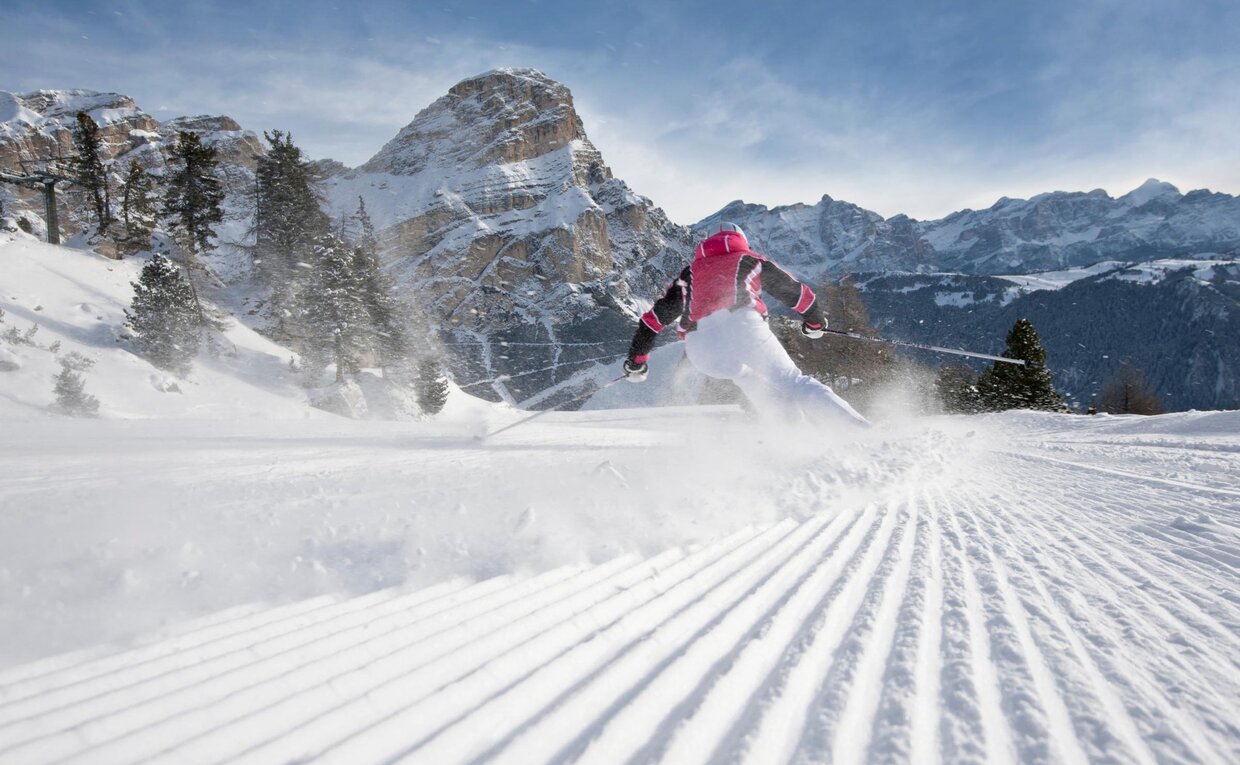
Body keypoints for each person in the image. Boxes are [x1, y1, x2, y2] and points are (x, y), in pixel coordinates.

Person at [622, 222, 870, 427]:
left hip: (700, 347)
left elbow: (652, 322)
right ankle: (860, 432)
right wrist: (815, 322)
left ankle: (794, 439)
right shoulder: (749, 259)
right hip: (741, 324)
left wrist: (636, 363)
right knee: (792, 381)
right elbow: (796, 293)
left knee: (748, 377)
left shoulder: (690, 273)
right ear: (741, 240)